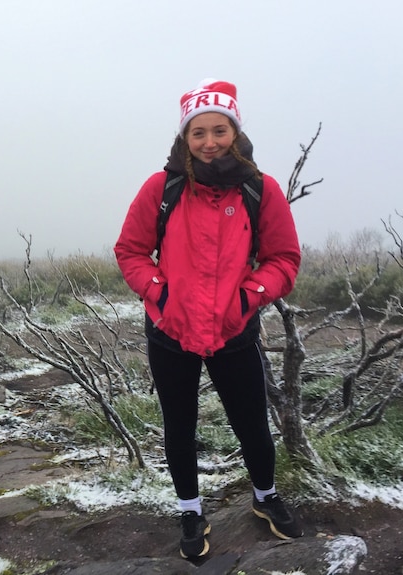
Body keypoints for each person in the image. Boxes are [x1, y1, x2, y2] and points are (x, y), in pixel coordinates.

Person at [114, 78, 303, 559]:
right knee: (179, 427)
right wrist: (160, 292)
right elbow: (131, 251)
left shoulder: (261, 189)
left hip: (234, 330)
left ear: (235, 133)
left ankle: (264, 498)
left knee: (252, 425)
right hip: (170, 331)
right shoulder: (163, 187)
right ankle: (190, 510)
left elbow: (283, 258)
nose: (209, 141)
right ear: (185, 138)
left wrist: (247, 299)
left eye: (220, 130)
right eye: (198, 133)